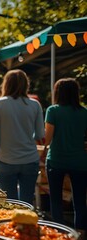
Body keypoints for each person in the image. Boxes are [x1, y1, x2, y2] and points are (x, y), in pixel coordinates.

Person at [0, 69, 44, 204]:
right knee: (27, 204)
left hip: (6, 161)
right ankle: (27, 225)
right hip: (30, 160)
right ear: (26, 84)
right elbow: (40, 135)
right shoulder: (35, 105)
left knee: (10, 204)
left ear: (5, 84)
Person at [42, 78, 87, 235]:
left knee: (56, 200)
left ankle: (59, 233)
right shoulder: (84, 113)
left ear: (58, 92)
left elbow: (47, 139)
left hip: (56, 161)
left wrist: (41, 152)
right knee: (80, 201)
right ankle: (81, 233)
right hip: (80, 162)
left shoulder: (53, 111)